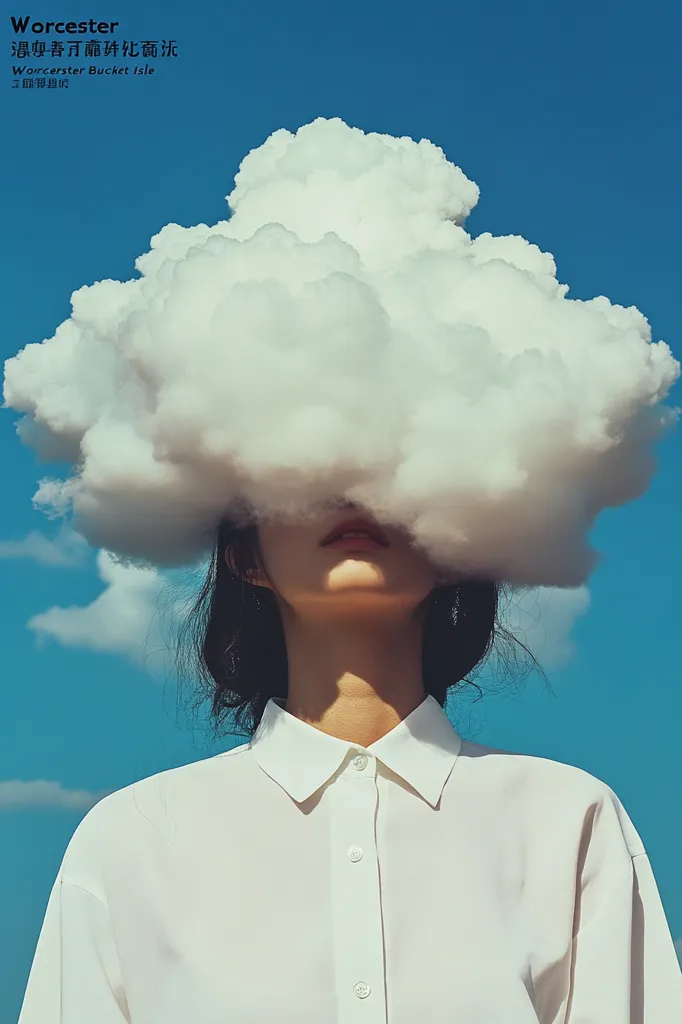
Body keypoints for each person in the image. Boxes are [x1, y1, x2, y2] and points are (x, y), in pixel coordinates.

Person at [18, 502, 682, 1023]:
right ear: (245, 553)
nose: (353, 493)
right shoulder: (133, 835)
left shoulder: (568, 819)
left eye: (393, 468)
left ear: (458, 541)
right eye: (304, 471)